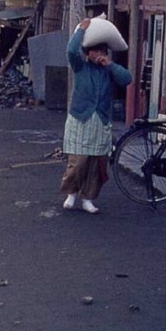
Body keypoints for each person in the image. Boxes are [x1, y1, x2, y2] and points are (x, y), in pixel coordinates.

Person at [61, 18, 132, 214]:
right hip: (81, 118)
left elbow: (127, 79)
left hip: (100, 120)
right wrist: (80, 31)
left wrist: (109, 65)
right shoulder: (81, 67)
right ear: (87, 53)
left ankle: (88, 198)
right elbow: (70, 51)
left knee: (96, 163)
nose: (96, 55)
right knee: (78, 161)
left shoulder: (109, 70)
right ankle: (71, 193)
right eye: (93, 51)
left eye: (100, 51)